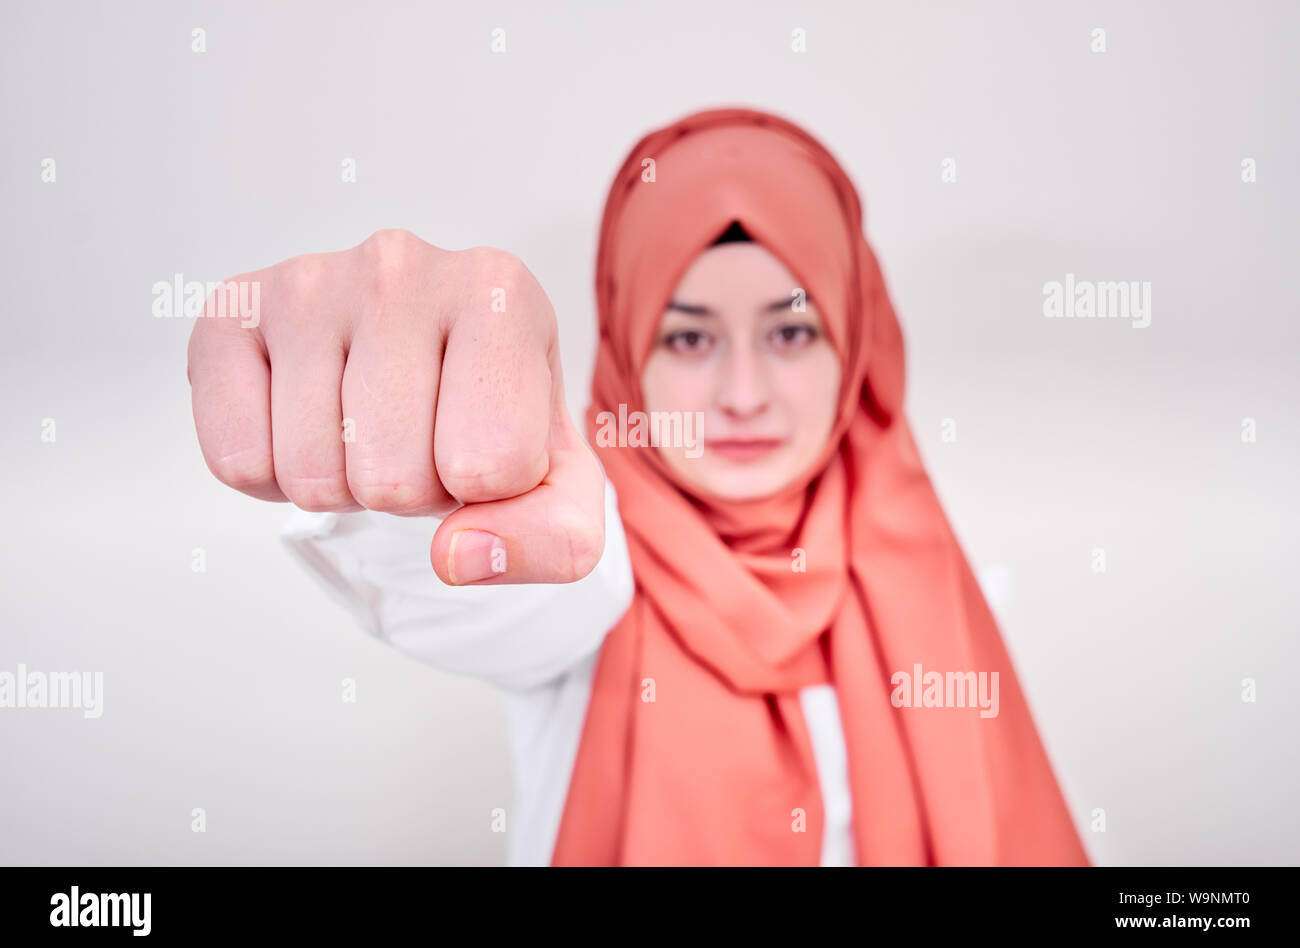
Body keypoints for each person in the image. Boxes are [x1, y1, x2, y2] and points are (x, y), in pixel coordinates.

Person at [187, 106, 1090, 866]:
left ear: (856, 348)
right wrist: (414, 443)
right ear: (626, 353)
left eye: (791, 334)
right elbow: (471, 579)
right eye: (690, 338)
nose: (744, 395)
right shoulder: (594, 571)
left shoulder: (956, 604)